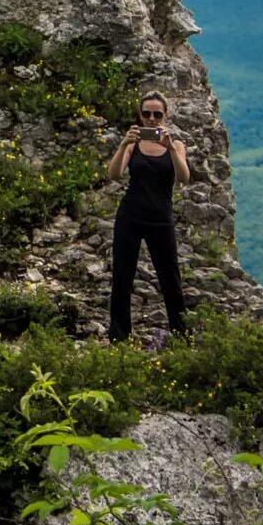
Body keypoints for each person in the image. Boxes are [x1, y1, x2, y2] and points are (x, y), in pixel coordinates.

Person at [105, 89, 189, 347]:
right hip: (130, 216)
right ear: (139, 116)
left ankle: (181, 337)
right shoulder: (132, 144)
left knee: (170, 278)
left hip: (160, 218)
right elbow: (114, 174)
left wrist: (170, 149)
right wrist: (123, 144)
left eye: (157, 114)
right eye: (146, 114)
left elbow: (184, 178)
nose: (151, 119)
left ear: (166, 115)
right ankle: (119, 338)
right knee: (122, 277)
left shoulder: (176, 145)